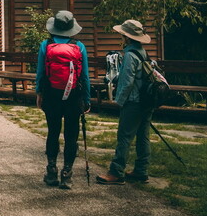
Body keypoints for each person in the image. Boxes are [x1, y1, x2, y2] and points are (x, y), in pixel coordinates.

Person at [36, 10, 90, 190]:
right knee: (71, 135)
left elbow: (41, 73)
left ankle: (51, 172)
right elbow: (84, 76)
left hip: (51, 94)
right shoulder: (79, 46)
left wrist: (39, 93)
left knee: (53, 132)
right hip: (73, 95)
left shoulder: (46, 44)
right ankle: (67, 174)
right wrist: (86, 99)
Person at [97, 19, 154, 185]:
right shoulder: (143, 52)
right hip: (146, 101)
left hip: (134, 102)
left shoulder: (130, 55)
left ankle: (116, 172)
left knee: (124, 136)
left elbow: (127, 81)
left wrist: (119, 101)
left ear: (127, 38)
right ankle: (141, 170)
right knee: (143, 136)